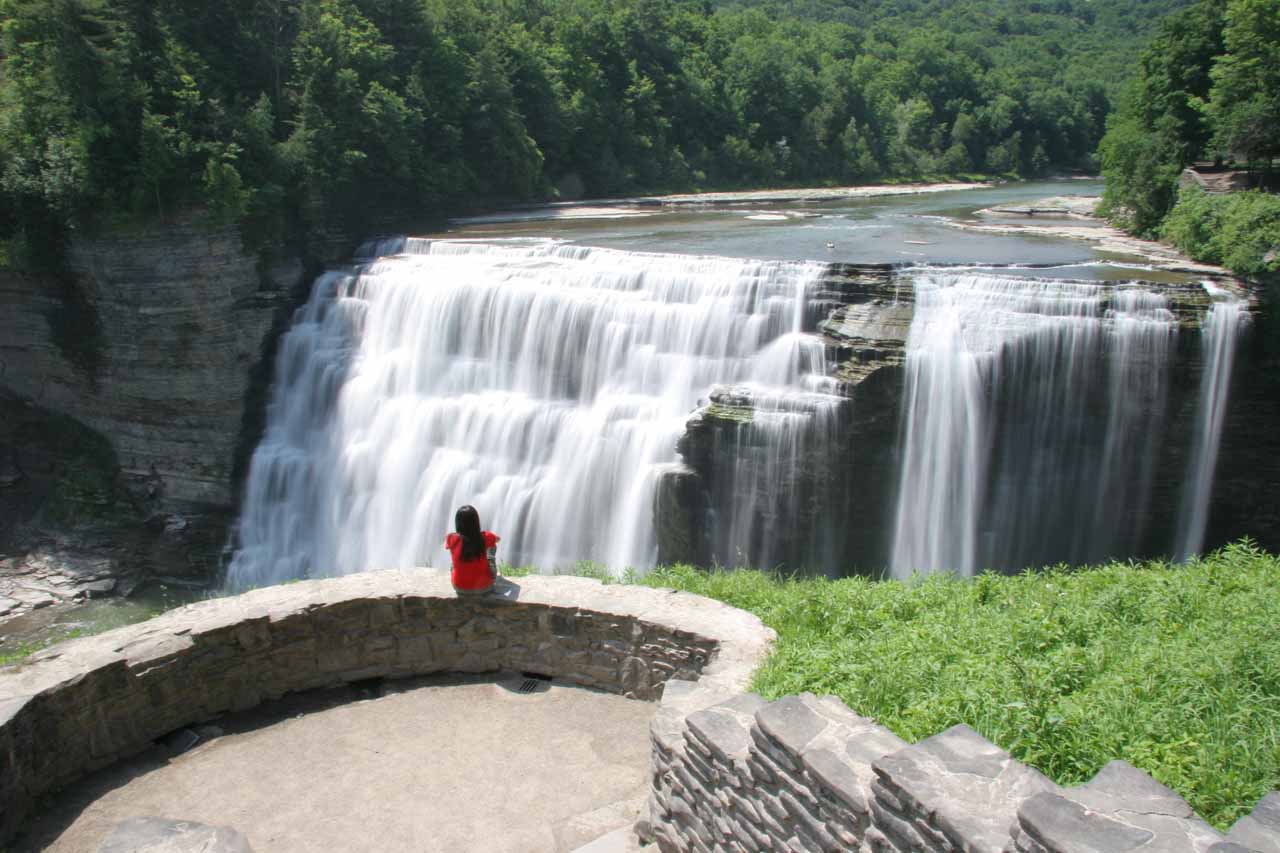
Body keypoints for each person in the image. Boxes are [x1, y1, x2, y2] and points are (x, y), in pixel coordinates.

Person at [445, 505, 500, 595]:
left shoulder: (451, 538)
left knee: (454, 555)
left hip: (458, 587)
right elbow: (498, 539)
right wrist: (490, 538)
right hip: (485, 587)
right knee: (492, 546)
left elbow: (449, 546)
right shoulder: (486, 537)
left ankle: (460, 572)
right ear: (476, 521)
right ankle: (491, 569)